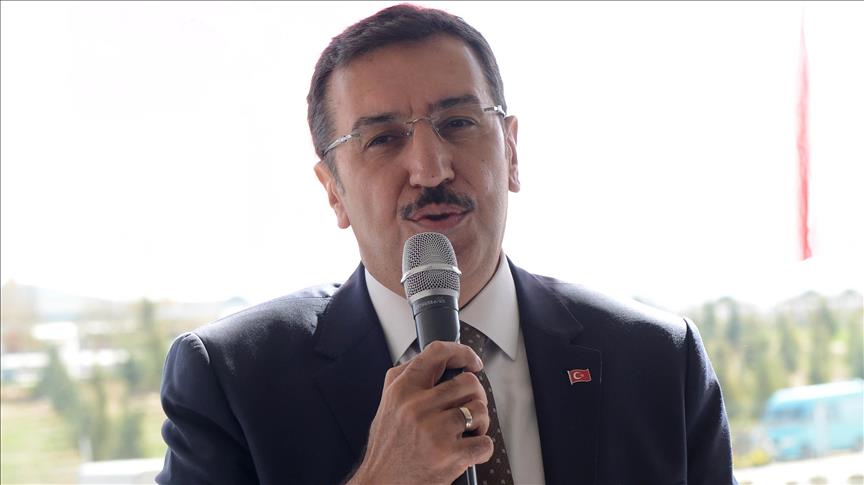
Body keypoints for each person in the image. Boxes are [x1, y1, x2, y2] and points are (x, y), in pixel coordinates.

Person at [157, 4, 736, 484]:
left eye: (458, 123)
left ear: (511, 151)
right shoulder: (232, 380)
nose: (430, 169)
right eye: (383, 139)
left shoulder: (658, 360)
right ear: (333, 190)